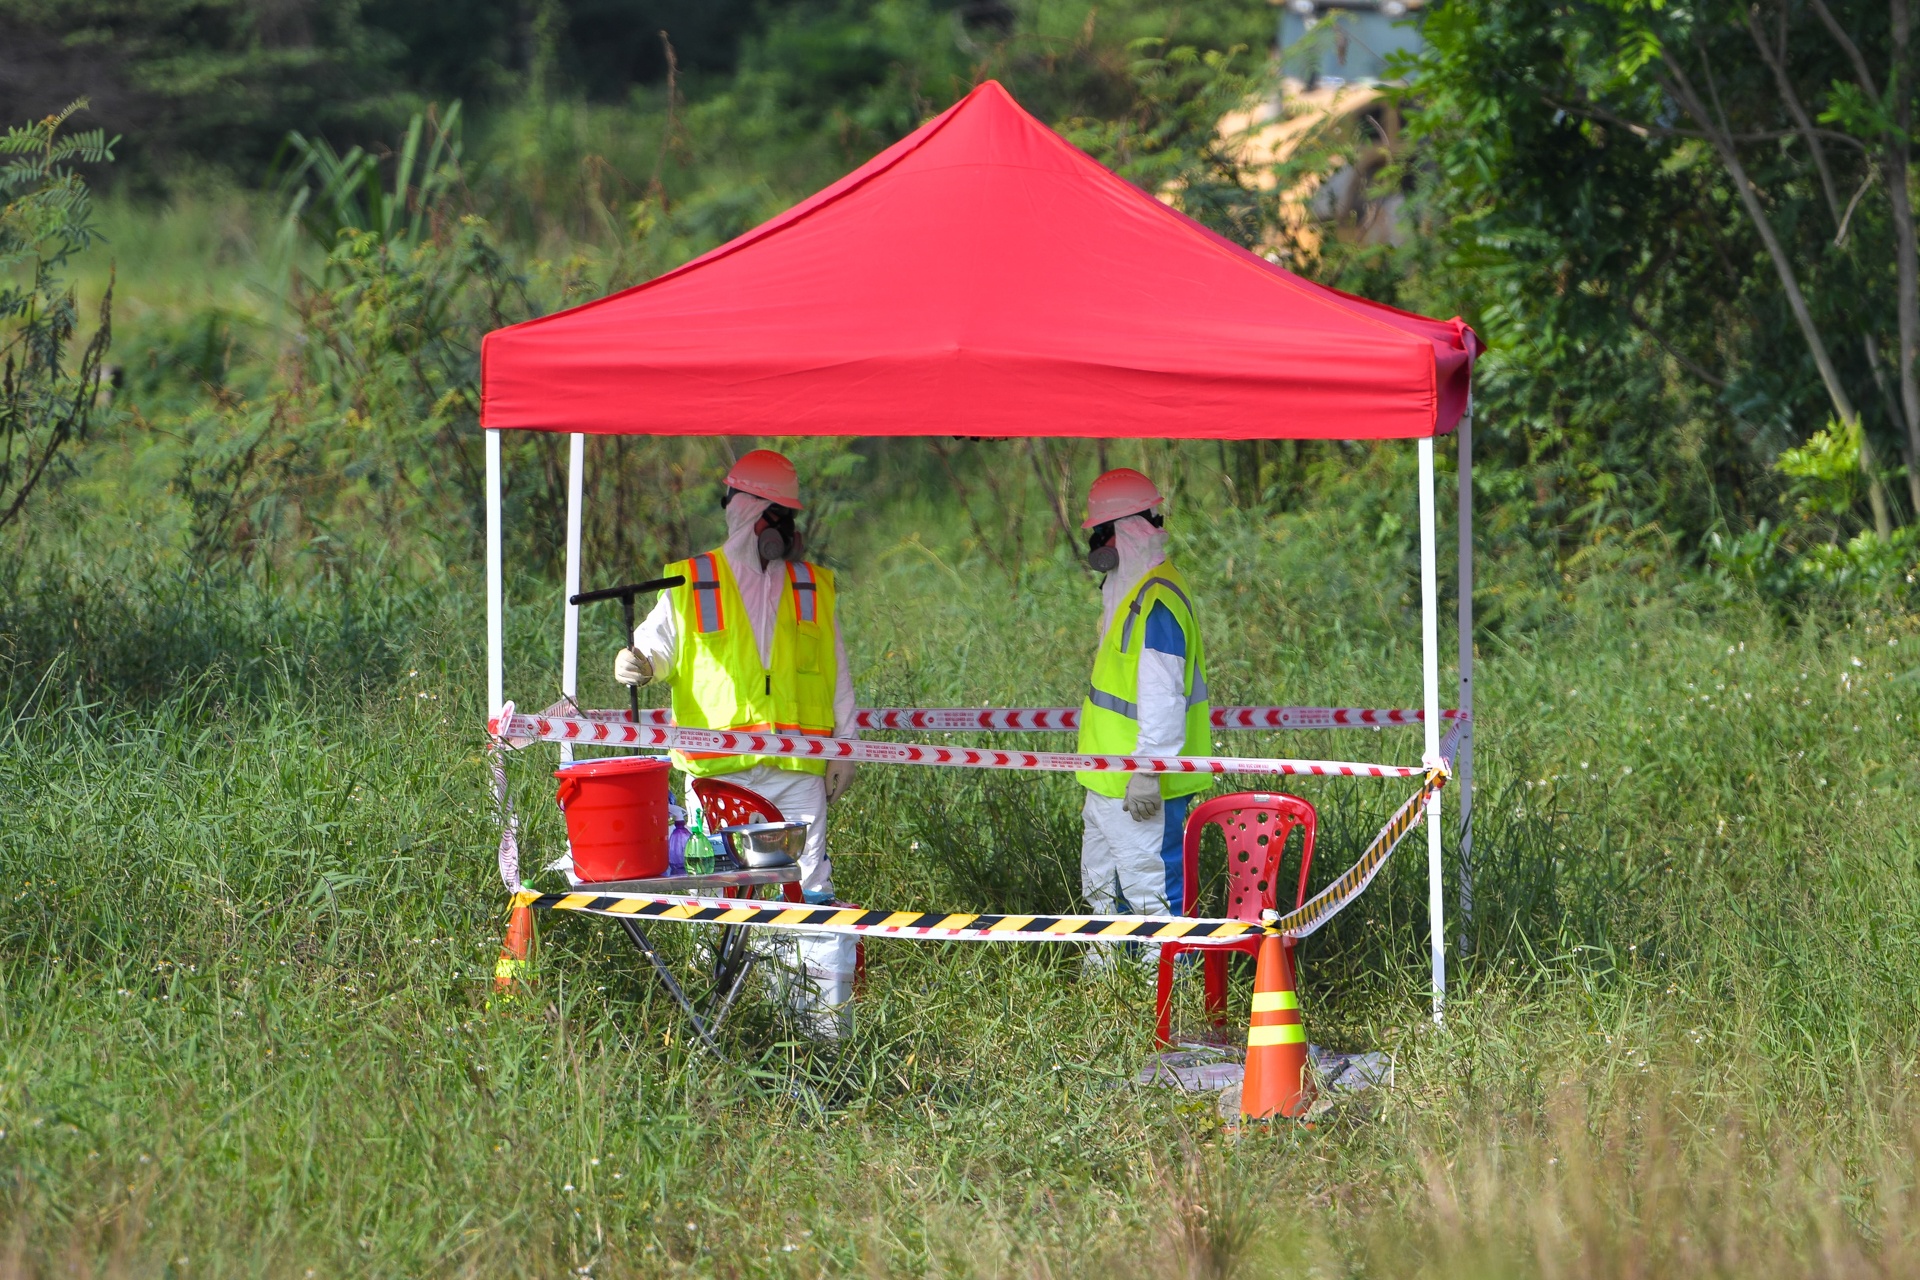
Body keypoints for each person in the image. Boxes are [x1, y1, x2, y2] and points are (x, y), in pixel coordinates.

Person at [615, 448, 858, 1031]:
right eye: (782, 518)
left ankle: (817, 1030)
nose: (791, 532)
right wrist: (640, 663)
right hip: (717, 771)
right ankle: (723, 1015)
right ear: (752, 515)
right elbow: (658, 644)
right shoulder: (691, 582)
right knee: (716, 891)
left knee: (808, 889)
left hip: (797, 770)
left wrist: (845, 743)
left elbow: (836, 669)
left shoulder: (810, 587)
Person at [1074, 468, 1213, 960]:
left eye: (1100, 533)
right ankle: (1107, 1010)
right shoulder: (1130, 591)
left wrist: (1148, 771)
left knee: (1153, 901)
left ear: (1125, 531)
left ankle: (1172, 1013)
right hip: (1107, 782)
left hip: (1138, 786)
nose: (1097, 547)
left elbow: (1162, 697)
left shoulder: (1156, 599)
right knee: (1101, 899)